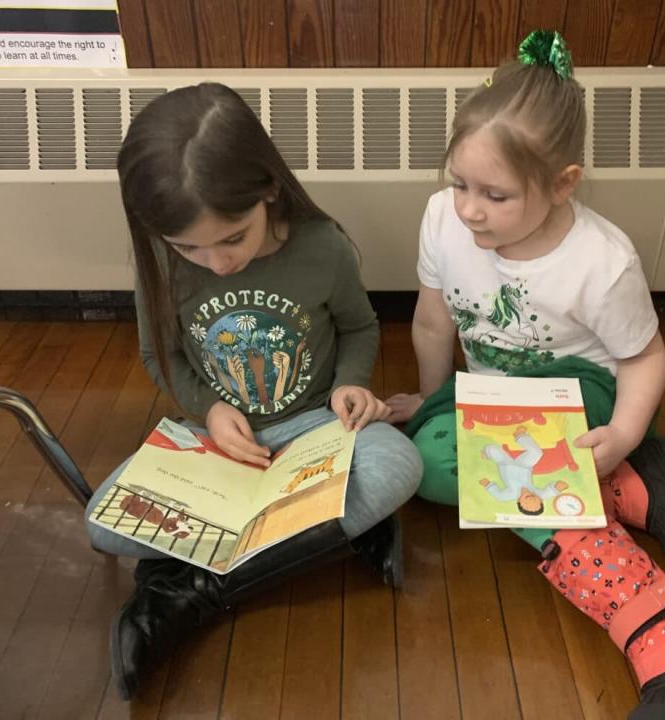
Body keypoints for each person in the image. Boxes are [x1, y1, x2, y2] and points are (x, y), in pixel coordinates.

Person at [386, 30, 665, 719]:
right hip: (496, 397)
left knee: (488, 471)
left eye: (495, 195)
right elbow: (432, 321)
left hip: (581, 390)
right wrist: (432, 397)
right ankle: (628, 486)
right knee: (429, 463)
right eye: (459, 183)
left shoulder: (602, 261)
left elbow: (645, 358)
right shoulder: (444, 221)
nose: (470, 208)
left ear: (562, 184)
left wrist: (622, 430)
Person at [85, 83, 422, 700]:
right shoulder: (157, 263)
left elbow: (359, 326)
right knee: (103, 524)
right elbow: (157, 356)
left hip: (316, 429)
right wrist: (211, 411)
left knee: (400, 464)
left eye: (233, 238)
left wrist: (350, 386)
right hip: (217, 443)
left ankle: (191, 589)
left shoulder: (323, 248)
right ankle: (332, 534)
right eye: (189, 247)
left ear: (268, 189)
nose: (215, 262)